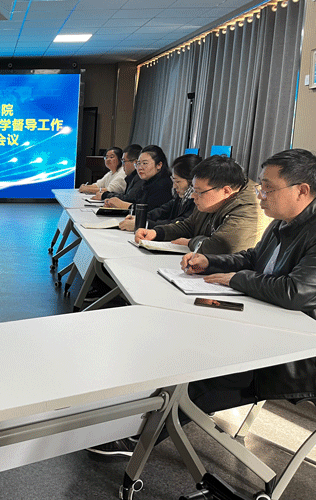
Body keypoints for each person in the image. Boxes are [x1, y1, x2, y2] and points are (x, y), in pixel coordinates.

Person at [90, 148, 316, 459]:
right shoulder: (283, 221)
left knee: (202, 368)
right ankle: (127, 415)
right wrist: (210, 262)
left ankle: (135, 439)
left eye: (268, 188)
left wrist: (235, 278)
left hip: (296, 352)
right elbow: (253, 258)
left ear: (302, 190)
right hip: (266, 323)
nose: (261, 195)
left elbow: (295, 291)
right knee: (179, 342)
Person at [134, 155, 259, 254]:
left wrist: (190, 242)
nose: (193, 196)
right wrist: (157, 233)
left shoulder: (250, 207)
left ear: (226, 191)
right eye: (194, 190)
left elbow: (222, 246)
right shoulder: (210, 200)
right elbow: (190, 225)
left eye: (199, 192)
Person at [118, 153, 200, 231]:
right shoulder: (181, 197)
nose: (174, 186)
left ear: (192, 182)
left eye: (177, 181)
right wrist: (140, 218)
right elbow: (161, 211)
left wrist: (143, 224)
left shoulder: (196, 201)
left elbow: (179, 224)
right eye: (138, 163)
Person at [104, 145, 173, 211]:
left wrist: (124, 205)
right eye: (138, 163)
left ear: (159, 165)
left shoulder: (163, 185)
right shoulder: (147, 182)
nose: (140, 168)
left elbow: (150, 212)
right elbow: (136, 202)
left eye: (145, 163)